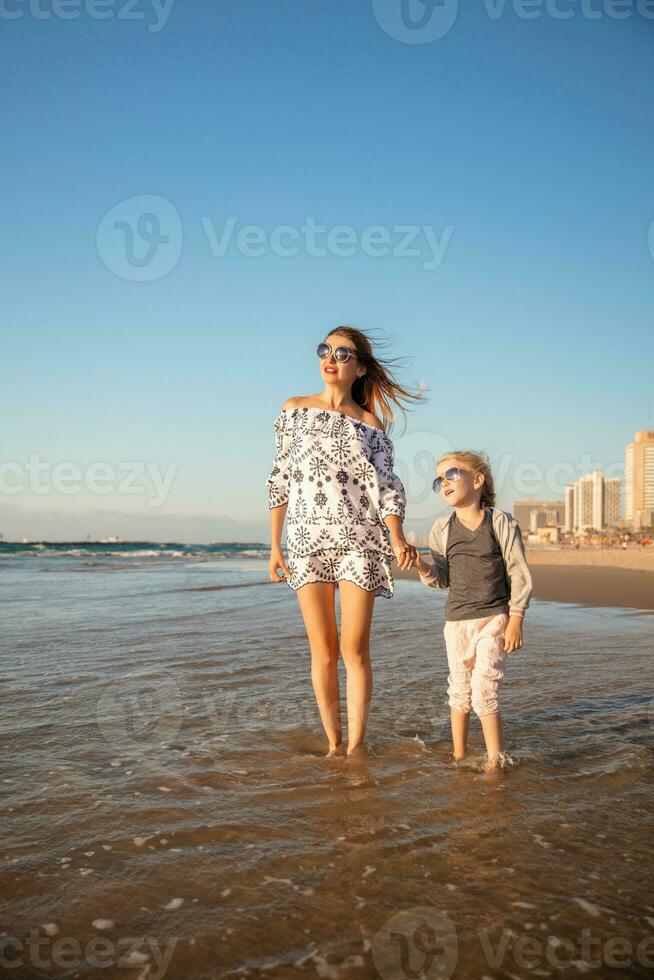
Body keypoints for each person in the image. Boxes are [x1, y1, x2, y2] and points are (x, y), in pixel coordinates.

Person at [266, 327, 422, 757]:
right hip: (304, 541)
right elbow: (279, 480)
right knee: (323, 648)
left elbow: (387, 488)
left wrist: (396, 535)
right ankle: (334, 742)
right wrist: (275, 547)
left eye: (341, 352)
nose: (329, 357)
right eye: (324, 350)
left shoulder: (370, 424)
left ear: (360, 367)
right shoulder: (293, 410)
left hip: (361, 542)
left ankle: (357, 745)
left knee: (354, 648)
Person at [413, 451, 532, 771]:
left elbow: (518, 571)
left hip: (494, 617)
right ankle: (459, 754)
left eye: (451, 474)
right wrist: (422, 565)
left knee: (484, 691)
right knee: (459, 691)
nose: (443, 484)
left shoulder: (499, 522)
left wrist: (516, 618)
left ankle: (495, 761)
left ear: (477, 480)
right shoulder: (442, 529)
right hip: (456, 623)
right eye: (438, 480)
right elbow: (442, 578)